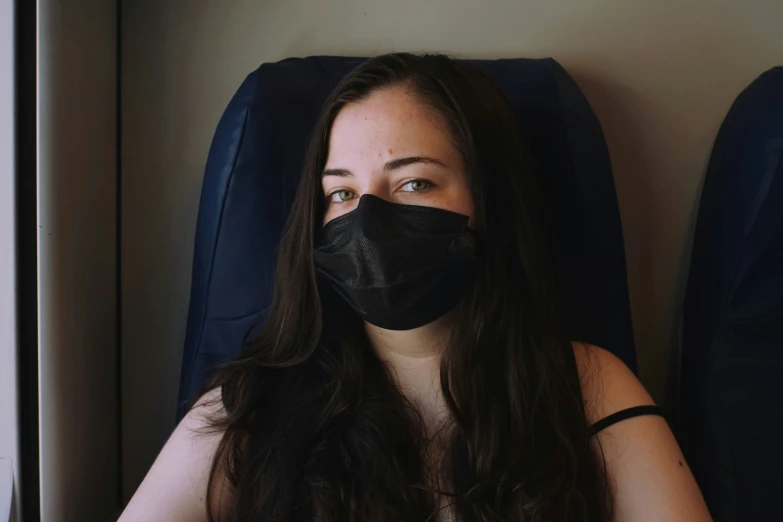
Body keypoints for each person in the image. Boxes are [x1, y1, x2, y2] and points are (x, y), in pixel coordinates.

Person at [119, 53, 712, 521]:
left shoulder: (589, 388)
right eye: (343, 194)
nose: (367, 220)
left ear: (489, 203)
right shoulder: (250, 408)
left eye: (414, 184)